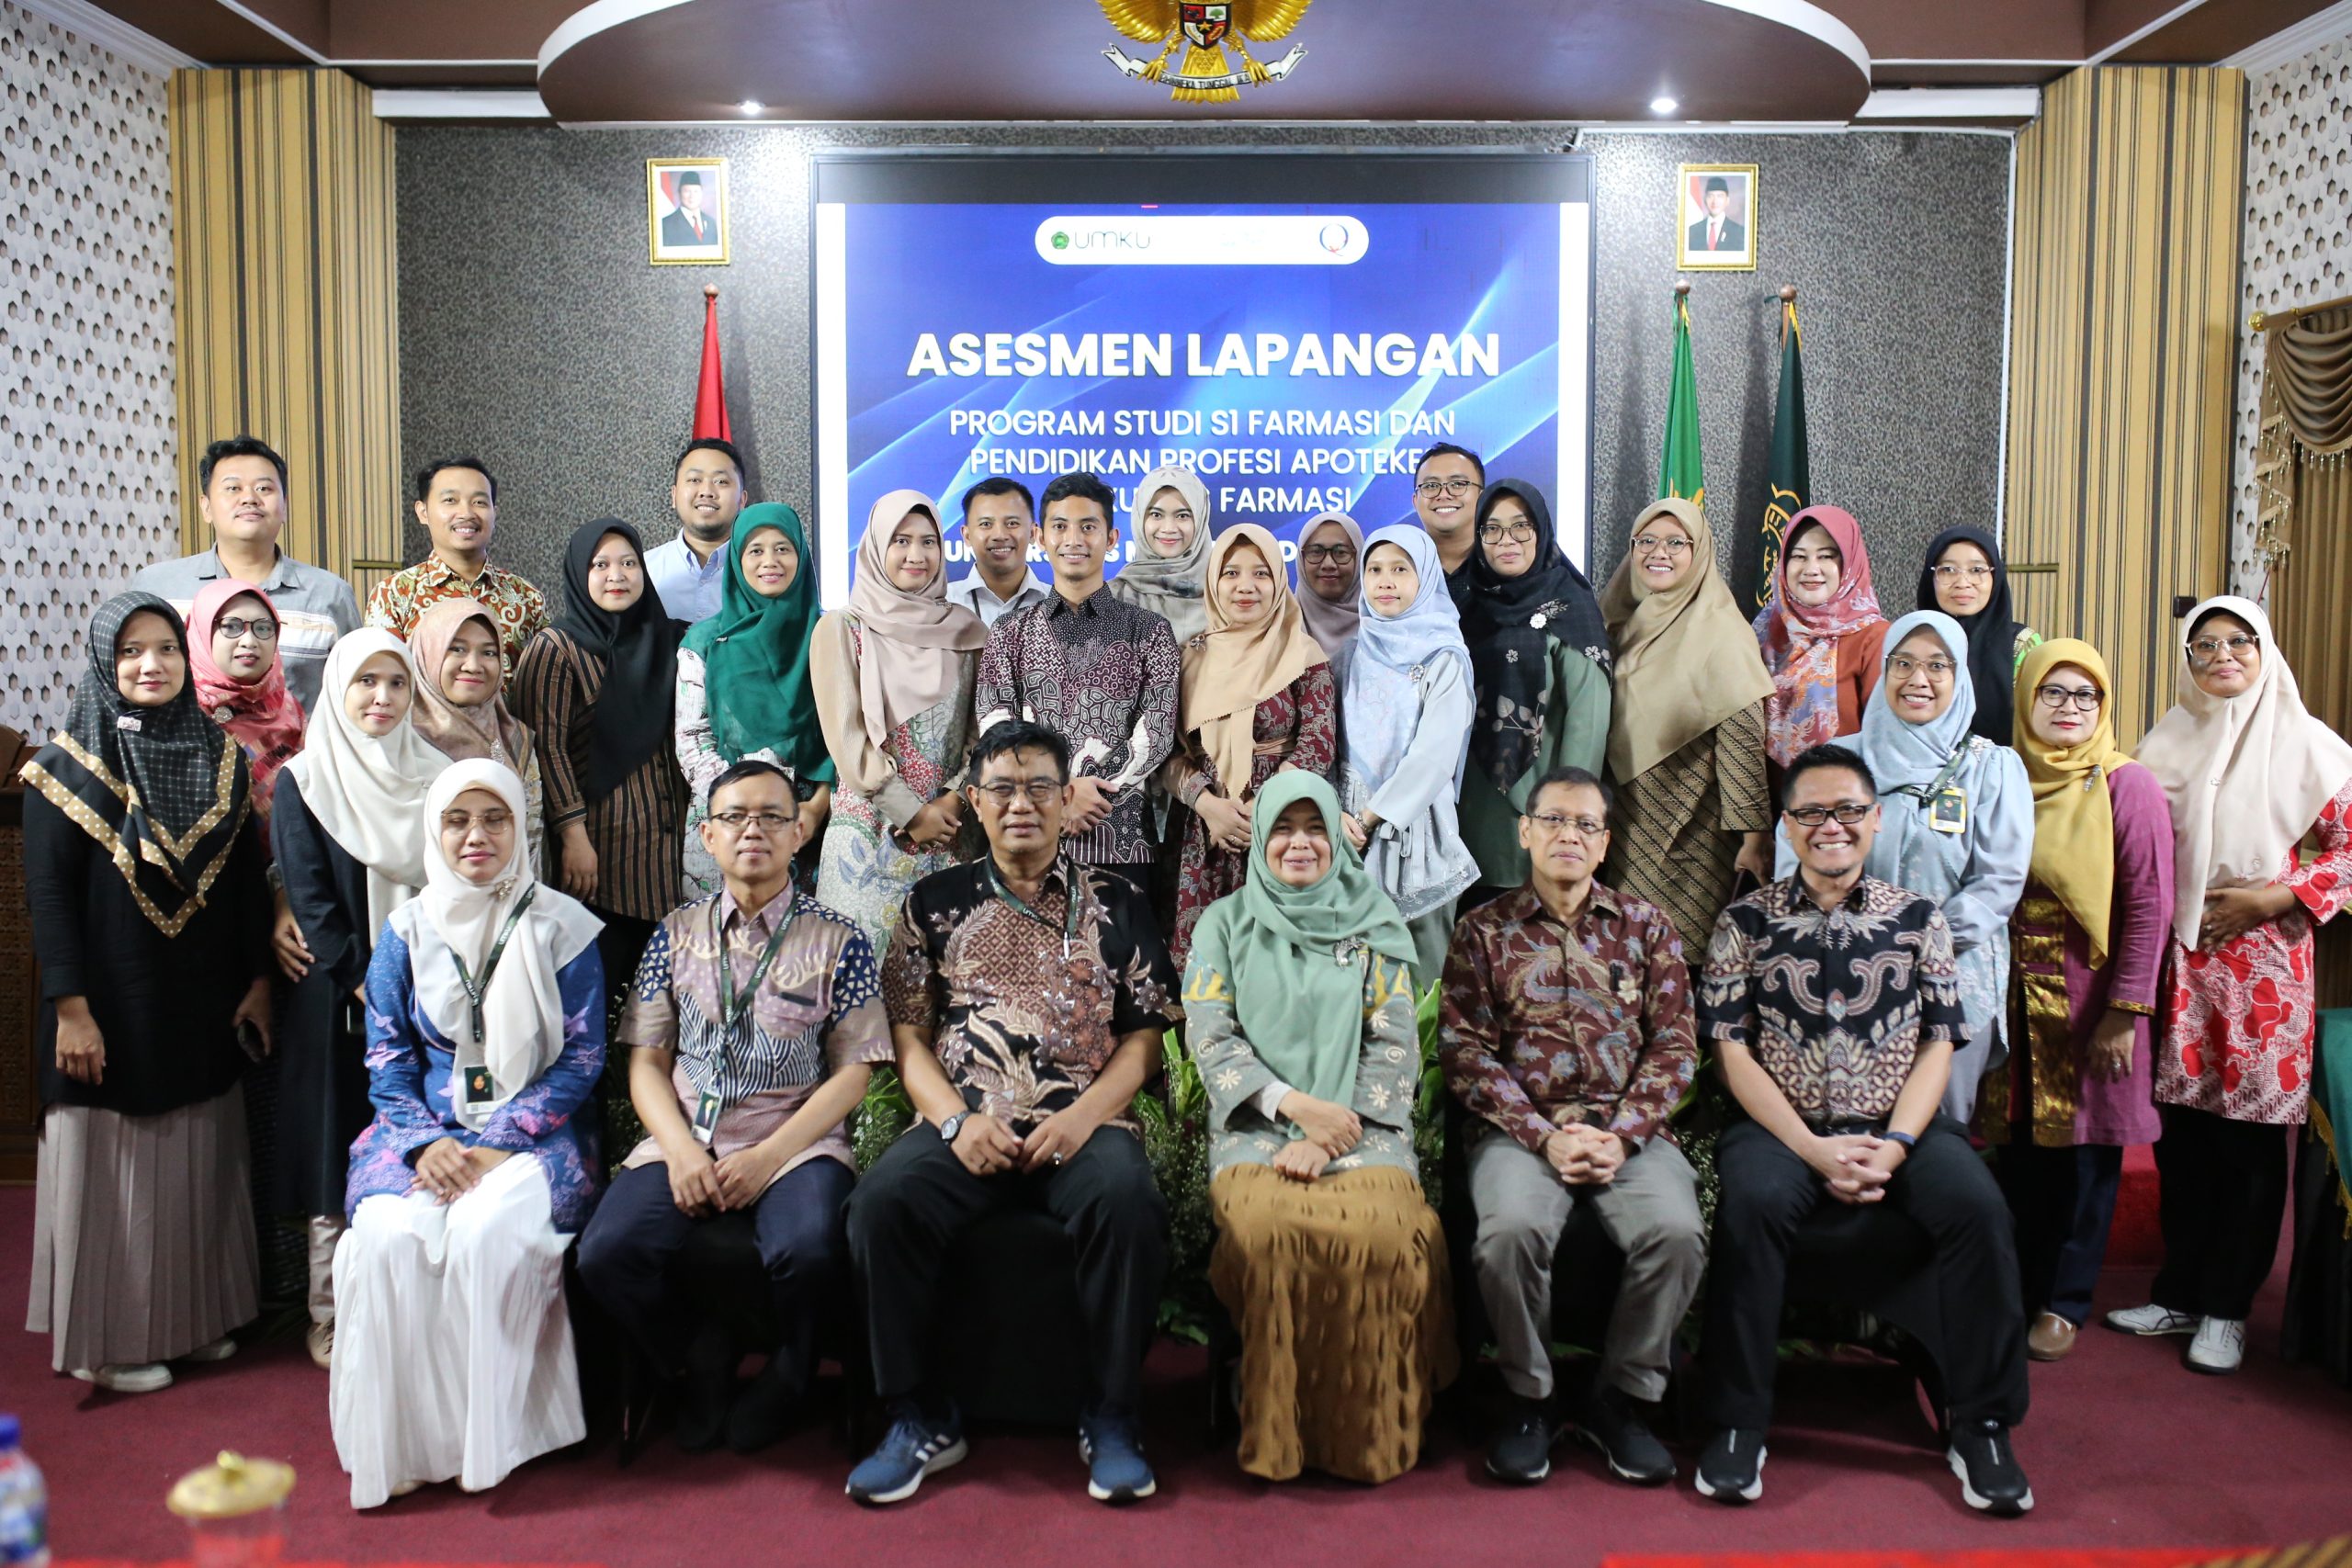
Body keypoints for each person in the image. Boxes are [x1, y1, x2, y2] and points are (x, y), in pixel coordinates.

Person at [1697, 743, 2032, 1517]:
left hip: (1900, 1127)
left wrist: (1900, 1144)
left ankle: (1982, 1423)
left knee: (1979, 1208)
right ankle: (1738, 1422)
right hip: (1782, 1131)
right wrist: (1811, 1149)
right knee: (1752, 1204)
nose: (1831, 825)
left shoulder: (1919, 919)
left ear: (1876, 819)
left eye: (1848, 809)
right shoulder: (1744, 920)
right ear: (1787, 825)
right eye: (1811, 812)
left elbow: (1939, 1041)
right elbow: (1729, 1049)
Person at [846, 722, 1174, 1506]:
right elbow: (909, 1036)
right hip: (967, 1119)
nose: (1020, 803)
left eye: (1037, 788)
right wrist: (954, 1122)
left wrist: (1085, 1117)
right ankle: (917, 1414)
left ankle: (1112, 1414)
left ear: (1065, 800)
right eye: (1001, 787)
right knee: (879, 1205)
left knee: (1128, 1200)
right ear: (976, 801)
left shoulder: (1119, 900)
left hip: (1084, 1122)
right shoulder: (933, 901)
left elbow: (1145, 1039)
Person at [576, 758, 892, 1454]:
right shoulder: (673, 933)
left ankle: (791, 1371)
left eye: (773, 816)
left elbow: (855, 1072)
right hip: (686, 1135)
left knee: (810, 1249)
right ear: (708, 835)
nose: (754, 830)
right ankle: (695, 1356)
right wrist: (682, 1150)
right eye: (735, 817)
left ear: (800, 832)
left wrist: (769, 1157)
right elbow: (647, 1064)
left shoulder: (839, 939)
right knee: (605, 1253)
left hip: (796, 1141)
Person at [330, 759, 605, 1509]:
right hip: (425, 1132)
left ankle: (486, 1440)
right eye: (457, 820)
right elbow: (386, 1056)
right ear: (435, 830)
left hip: (536, 1132)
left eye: (494, 819)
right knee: (388, 1236)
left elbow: (583, 1057)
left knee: (484, 1231)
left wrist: (497, 1141)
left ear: (520, 827)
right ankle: (406, 1446)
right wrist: (424, 1143)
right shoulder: (405, 931)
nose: (476, 835)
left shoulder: (562, 926)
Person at [22, 592, 273, 1393]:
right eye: (130, 651)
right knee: (117, 1175)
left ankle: (192, 1324)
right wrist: (70, 1011)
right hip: (108, 1004)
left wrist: (260, 981)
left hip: (200, 997)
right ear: (105, 662)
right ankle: (111, 1344)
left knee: (196, 1165)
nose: (151, 664)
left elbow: (243, 887)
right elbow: (48, 899)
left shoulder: (219, 755)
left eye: (165, 647)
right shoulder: (63, 769)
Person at [1187, 772, 1453, 1483]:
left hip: (1365, 1128)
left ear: (1339, 837)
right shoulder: (1223, 926)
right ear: (1259, 837)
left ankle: (1369, 1429)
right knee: (1266, 1232)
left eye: (1316, 828)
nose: (1299, 843)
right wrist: (1294, 1109)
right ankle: (1276, 1416)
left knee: (1389, 1236)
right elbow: (1211, 1037)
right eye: (1283, 827)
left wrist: (1332, 1132)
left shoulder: (1375, 925)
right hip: (1257, 1128)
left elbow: (1395, 1044)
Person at [1442, 766, 1704, 1488]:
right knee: (1508, 1233)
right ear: (1525, 832)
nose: (1569, 834)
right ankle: (1531, 1397)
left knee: (1676, 1232)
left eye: (1586, 824)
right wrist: (1543, 1135)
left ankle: (1621, 1399)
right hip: (1521, 1133)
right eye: (1554, 820)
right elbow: (1465, 1051)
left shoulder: (1647, 927)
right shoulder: (1483, 930)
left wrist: (1622, 1133)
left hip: (1629, 1132)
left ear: (1605, 842)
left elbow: (1676, 1044)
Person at [2112, 596, 2352, 1374]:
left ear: (2264, 648)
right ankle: (2181, 1291)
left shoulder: (2311, 745)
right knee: (2184, 1138)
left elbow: (2349, 849)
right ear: (2187, 659)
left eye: (2238, 642)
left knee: (2248, 1143)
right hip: (2182, 964)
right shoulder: (2167, 739)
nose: (2222, 657)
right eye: (2204, 645)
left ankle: (2228, 1307)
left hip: (2265, 968)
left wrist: (2273, 896)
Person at [1981, 641, 2172, 1363]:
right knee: (2020, 1151)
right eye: (2052, 692)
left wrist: (2126, 1011)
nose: (2069, 707)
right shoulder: (2003, 775)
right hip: (2010, 1000)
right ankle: (2015, 1286)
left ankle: (2064, 1300)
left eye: (2085, 694)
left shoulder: (2126, 785)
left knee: (2087, 1157)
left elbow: (2150, 904)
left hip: (2089, 1003)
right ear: (2026, 700)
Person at [270, 630, 445, 1371]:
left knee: (420, 1145)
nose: (382, 697)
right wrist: (371, 985)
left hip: (430, 998)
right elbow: (311, 901)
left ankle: (411, 1309)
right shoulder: (305, 780)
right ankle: (332, 1313)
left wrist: (420, 989)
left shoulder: (438, 776)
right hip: (338, 995)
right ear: (337, 690)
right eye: (365, 681)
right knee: (335, 1145)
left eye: (397, 682)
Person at [1785, 610, 2030, 1123]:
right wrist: (1858, 949)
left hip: (1950, 978)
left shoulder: (1990, 768)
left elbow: (1997, 883)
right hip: (1841, 972)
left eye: (1938, 665)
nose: (1919, 679)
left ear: (1959, 676)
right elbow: (1793, 863)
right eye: (1903, 663)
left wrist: (1914, 948)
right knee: (1841, 1130)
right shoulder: (1836, 762)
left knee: (1934, 1134)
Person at [512, 520, 690, 1022]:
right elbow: (544, 748)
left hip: (670, 853)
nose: (618, 575)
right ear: (579, 573)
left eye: (630, 563)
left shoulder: (669, 641)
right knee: (599, 1005)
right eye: (601, 564)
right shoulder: (556, 648)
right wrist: (572, 835)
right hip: (599, 853)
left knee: (664, 1015)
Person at [975, 471, 1182, 889]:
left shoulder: (1150, 631)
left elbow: (1157, 732)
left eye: (1088, 527)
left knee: (1124, 936)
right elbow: (994, 726)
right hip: (1027, 837)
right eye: (1060, 526)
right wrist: (1059, 792)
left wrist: (1091, 792)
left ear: (1112, 538)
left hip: (1121, 839)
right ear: (1040, 536)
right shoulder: (1009, 632)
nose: (1074, 539)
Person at [1598, 497, 1776, 957]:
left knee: (1679, 962)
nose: (1659, 552)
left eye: (1677, 543)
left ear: (1699, 552)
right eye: (1646, 541)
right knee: (1624, 960)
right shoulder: (1620, 623)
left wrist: (1754, 836)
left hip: (1692, 833)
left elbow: (1741, 745)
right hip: (1624, 827)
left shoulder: (1723, 633)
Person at [810, 491, 986, 948]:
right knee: (859, 976)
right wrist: (911, 813)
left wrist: (954, 800)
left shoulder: (966, 631)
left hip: (950, 837)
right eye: (900, 541)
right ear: (875, 547)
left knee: (950, 977)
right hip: (868, 839)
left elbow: (980, 734)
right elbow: (847, 739)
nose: (916, 555)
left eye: (929, 542)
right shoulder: (842, 628)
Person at [1163, 523, 1335, 967]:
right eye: (1231, 573)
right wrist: (1208, 806)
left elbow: (1318, 743)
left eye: (1261, 573)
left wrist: (1263, 809)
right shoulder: (1189, 656)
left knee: (1280, 966)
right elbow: (1169, 753)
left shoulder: (1302, 653)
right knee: (1208, 968)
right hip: (1207, 832)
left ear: (1278, 581)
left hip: (1284, 826)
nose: (1245, 586)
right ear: (1213, 581)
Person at [1336, 525, 1478, 986]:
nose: (1386, 581)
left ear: (1426, 578)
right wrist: (1337, 816)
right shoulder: (1348, 655)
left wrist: (1370, 818)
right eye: (1375, 570)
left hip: (1414, 831)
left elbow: (1434, 756)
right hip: (1346, 834)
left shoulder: (1444, 658)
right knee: (1352, 974)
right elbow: (1328, 743)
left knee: (1423, 975)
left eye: (1401, 569)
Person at [1456, 478, 1611, 897]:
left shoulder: (1571, 607)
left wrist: (1567, 815)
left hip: (1540, 810)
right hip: (1463, 811)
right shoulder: (1460, 601)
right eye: (1492, 528)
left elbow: (1587, 721)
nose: (1507, 540)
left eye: (1521, 527)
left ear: (1541, 531)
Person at [130, 435, 360, 716]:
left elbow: (356, 692)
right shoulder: (156, 587)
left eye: (264, 488)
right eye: (233, 488)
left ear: (284, 506)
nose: (250, 498)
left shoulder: (330, 594)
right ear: (206, 507)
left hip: (297, 745)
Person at [675, 503, 836, 900]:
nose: (770, 561)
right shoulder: (705, 641)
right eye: (755, 550)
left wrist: (816, 807)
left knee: (806, 936)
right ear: (737, 559)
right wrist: (747, 812)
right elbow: (692, 741)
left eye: (783, 548)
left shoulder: (832, 633)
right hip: (726, 828)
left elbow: (850, 733)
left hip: (810, 825)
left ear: (801, 555)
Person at [366, 457, 548, 674]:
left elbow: (542, 684)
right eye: (450, 500)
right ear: (423, 512)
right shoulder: (394, 594)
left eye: (479, 502)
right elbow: (383, 680)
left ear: (494, 513)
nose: (467, 513)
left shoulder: (527, 597)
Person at [406, 596, 548, 874]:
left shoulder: (514, 739)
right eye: (456, 649)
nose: (473, 665)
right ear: (426, 654)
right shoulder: (400, 740)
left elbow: (530, 844)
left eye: (489, 653)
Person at [1751, 504, 1888, 773]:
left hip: (1837, 794)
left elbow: (1884, 738)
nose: (1811, 569)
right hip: (1760, 795)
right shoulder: (1766, 629)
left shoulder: (1874, 638)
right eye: (1799, 556)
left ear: (1849, 564)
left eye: (1826, 556)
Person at [1917, 525, 2042, 747]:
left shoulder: (2021, 644)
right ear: (1931, 577)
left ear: (1996, 576)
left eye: (1976, 570)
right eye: (1948, 570)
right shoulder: (1912, 641)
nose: (1962, 582)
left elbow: (2038, 723)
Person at [1104, 464, 1212, 645]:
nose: (1169, 528)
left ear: (1200, 519)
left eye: (1183, 516)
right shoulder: (1115, 597)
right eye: (1156, 515)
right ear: (1140, 518)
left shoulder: (1224, 594)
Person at [644, 438, 745, 625]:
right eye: (694, 480)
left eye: (721, 481)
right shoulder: (644, 571)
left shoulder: (762, 574)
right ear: (674, 495)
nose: (707, 492)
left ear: (742, 500)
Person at [947, 477, 1051, 628]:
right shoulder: (944, 604)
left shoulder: (1059, 607)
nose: (1000, 535)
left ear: (1032, 533)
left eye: (1012, 523)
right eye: (986, 524)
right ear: (967, 536)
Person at [1411, 442, 1485, 599]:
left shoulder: (1502, 562)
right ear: (1415, 501)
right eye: (1431, 485)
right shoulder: (1401, 566)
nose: (1443, 495)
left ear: (1482, 497)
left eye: (1458, 484)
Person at [1294, 509, 1363, 661]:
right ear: (1301, 559)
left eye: (1341, 552)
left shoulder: (1384, 628)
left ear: (1358, 557)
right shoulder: (1280, 626)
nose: (1328, 564)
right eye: (1316, 552)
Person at [1687, 175, 1746, 254]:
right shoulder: (1692, 231)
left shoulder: (1740, 232)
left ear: (1727, 200)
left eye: (1720, 196)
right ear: (1704, 199)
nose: (1715, 201)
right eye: (1710, 196)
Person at [662, 171, 718, 247]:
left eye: (696, 191)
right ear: (679, 193)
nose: (692, 196)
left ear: (701, 193)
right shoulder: (666, 224)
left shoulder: (711, 222)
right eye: (687, 191)